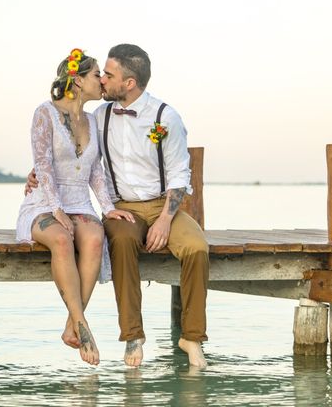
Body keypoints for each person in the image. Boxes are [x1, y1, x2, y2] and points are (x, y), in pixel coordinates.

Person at [29, 44, 209, 368]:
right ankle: (132, 337)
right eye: (101, 74)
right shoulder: (98, 116)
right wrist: (36, 175)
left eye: (108, 76)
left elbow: (181, 175)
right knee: (122, 242)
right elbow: (71, 154)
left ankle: (192, 337)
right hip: (122, 207)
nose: (102, 81)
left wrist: (166, 220)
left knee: (197, 247)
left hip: (163, 205)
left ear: (128, 83)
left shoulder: (165, 117)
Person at [16, 48, 134, 366]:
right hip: (44, 201)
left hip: (79, 200)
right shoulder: (45, 113)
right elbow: (43, 165)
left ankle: (71, 324)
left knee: (96, 238)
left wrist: (107, 207)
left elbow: (96, 172)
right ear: (78, 81)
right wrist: (55, 209)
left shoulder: (93, 120)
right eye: (97, 75)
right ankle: (82, 324)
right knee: (61, 238)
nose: (102, 81)